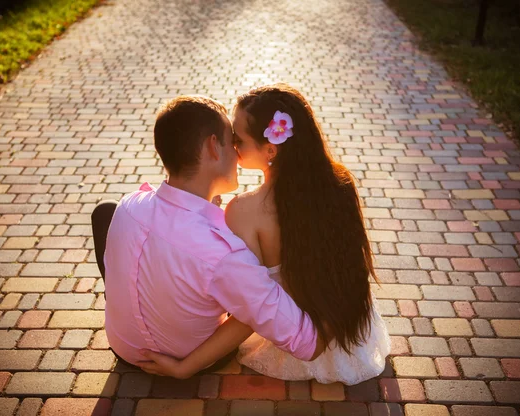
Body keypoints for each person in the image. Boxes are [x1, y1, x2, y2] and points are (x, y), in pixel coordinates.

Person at [139, 84, 390, 385]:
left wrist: (186, 366)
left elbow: (248, 311)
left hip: (291, 345)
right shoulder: (341, 185)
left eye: (238, 139)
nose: (230, 146)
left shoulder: (244, 211)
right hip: (348, 333)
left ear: (270, 149)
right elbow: (351, 272)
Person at [91, 95, 327, 376]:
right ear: (213, 146)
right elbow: (308, 344)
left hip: (124, 347)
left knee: (107, 213)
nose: (238, 154)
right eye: (233, 142)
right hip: (187, 358)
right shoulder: (223, 253)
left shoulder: (129, 204)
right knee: (246, 292)